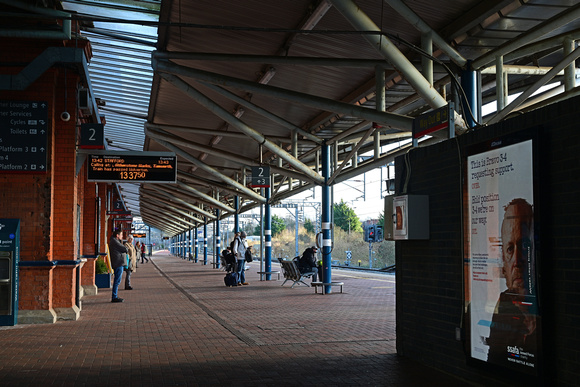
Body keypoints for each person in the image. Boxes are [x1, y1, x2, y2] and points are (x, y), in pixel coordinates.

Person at [486, 198, 537, 367]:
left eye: (524, 245)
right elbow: (494, 359)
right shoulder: (504, 304)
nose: (517, 260)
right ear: (504, 266)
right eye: (509, 249)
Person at [109, 229, 128, 303]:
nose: (122, 236)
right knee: (117, 281)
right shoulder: (115, 242)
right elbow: (125, 249)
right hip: (118, 263)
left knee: (117, 281)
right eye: (121, 235)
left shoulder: (114, 241)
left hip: (117, 263)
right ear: (117, 235)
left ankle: (115, 296)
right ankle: (114, 297)